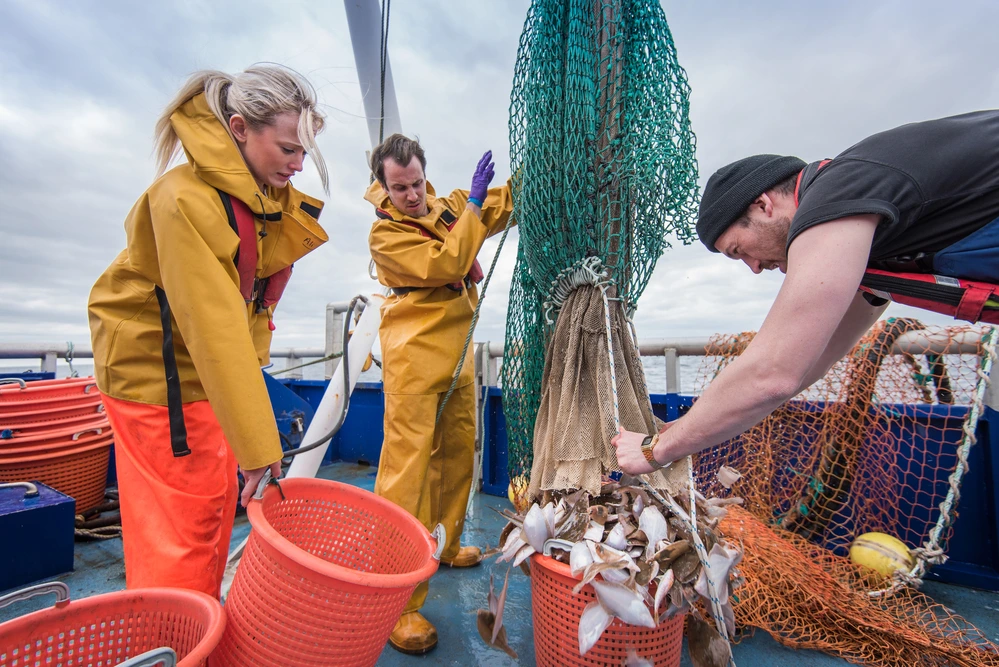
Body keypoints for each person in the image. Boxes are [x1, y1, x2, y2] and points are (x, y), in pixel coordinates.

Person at [613, 110, 999, 474]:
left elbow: (774, 373)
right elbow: (806, 366)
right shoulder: (866, 248)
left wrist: (655, 451)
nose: (755, 267)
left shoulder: (839, 193)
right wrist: (682, 430)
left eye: (740, 250)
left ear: (763, 205)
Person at [88, 65, 329, 599]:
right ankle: (172, 638)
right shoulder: (182, 200)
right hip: (158, 379)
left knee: (214, 504)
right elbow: (215, 326)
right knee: (182, 527)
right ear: (240, 128)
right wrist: (260, 448)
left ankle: (192, 619)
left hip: (202, 374)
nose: (299, 163)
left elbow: (246, 309)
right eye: (289, 148)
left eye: (305, 151)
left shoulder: (258, 197)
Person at [366, 133, 514, 654]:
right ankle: (398, 603)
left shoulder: (452, 206)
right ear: (383, 187)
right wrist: (474, 203)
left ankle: (446, 543)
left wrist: (542, 166)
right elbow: (449, 264)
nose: (412, 194)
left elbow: (502, 205)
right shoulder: (385, 236)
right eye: (399, 187)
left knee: (457, 451)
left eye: (417, 182)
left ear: (426, 174)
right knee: (405, 473)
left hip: (457, 351)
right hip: (411, 354)